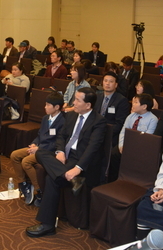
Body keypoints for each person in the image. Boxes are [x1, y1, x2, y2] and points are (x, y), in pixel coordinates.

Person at [26, 87, 107, 238]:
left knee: (52, 179)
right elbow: (61, 137)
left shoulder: (98, 121)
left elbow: (93, 148)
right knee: (40, 153)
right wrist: (60, 151)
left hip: (80, 160)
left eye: (77, 100)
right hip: (65, 156)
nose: (73, 103)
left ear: (88, 105)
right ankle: (71, 179)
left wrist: (78, 168)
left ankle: (48, 225)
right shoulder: (71, 116)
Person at [11, 91, 65, 206]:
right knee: (14, 155)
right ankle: (24, 184)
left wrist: (38, 149)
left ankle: (39, 190)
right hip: (39, 147)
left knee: (26, 162)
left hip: (48, 152)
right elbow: (40, 135)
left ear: (57, 107)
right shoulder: (46, 118)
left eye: (48, 105)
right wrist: (34, 144)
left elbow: (58, 142)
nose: (45, 107)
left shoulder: (63, 121)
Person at [108, 93, 158, 182]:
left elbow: (147, 138)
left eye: (136, 102)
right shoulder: (131, 116)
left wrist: (132, 148)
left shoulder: (153, 119)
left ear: (144, 106)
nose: (133, 104)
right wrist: (121, 145)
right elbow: (123, 131)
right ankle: (113, 180)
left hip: (141, 147)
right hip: (127, 144)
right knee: (114, 154)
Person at [96, 72, 130, 146]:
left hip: (110, 135)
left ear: (116, 85)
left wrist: (103, 132)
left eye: (111, 81)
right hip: (95, 132)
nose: (107, 83)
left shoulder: (122, 100)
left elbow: (119, 124)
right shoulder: (97, 97)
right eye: (105, 81)